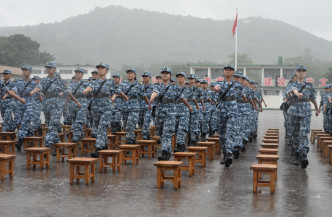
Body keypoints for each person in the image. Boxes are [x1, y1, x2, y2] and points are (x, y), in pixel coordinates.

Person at [30, 62, 80, 150]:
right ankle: (57, 144)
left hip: (57, 105)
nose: (48, 69)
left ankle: (48, 143)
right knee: (49, 123)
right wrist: (33, 92)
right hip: (47, 104)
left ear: (54, 69)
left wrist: (63, 93)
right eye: (47, 68)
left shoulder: (59, 80)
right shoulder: (44, 80)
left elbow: (68, 89)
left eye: (50, 68)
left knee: (53, 123)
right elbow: (39, 87)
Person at [83, 63, 128, 157]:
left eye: (102, 68)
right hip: (96, 107)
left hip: (107, 107)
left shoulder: (110, 82)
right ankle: (104, 145)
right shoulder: (94, 82)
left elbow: (117, 90)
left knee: (102, 126)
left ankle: (98, 147)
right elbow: (90, 87)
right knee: (96, 127)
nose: (100, 70)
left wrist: (125, 97)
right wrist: (86, 90)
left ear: (106, 71)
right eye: (99, 68)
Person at [150, 67, 192, 160]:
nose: (165, 75)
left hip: (171, 113)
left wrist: (189, 106)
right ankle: (166, 149)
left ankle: (166, 152)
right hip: (160, 113)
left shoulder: (175, 87)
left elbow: (182, 98)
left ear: (170, 76)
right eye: (163, 73)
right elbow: (155, 92)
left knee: (167, 133)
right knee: (161, 132)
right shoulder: (157, 86)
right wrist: (152, 97)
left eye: (167, 73)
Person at [286, 64, 319, 169]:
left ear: (305, 73)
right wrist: (297, 94)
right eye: (299, 71)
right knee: (295, 133)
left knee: (304, 133)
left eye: (303, 71)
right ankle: (297, 154)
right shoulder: (291, 84)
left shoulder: (309, 86)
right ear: (296, 73)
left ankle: (304, 155)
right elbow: (294, 90)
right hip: (294, 111)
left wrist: (317, 108)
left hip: (305, 112)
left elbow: (313, 98)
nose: (301, 72)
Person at [214, 65, 243, 167]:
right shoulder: (219, 83)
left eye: (230, 70)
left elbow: (239, 95)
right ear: (223, 72)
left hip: (232, 111)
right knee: (221, 134)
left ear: (233, 72)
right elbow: (216, 88)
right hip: (221, 111)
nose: (228, 72)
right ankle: (225, 153)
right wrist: (217, 88)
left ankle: (229, 153)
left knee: (230, 132)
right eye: (226, 70)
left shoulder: (237, 85)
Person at [120, 68, 151, 144]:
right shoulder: (123, 84)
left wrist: (149, 104)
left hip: (134, 108)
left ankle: (129, 141)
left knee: (130, 124)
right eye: (128, 73)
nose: (129, 74)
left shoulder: (138, 85)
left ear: (135, 75)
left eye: (131, 73)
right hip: (125, 107)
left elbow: (143, 96)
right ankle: (132, 139)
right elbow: (118, 91)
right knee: (125, 125)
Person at [15, 66, 40, 151]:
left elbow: (38, 93)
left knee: (25, 121)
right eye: (23, 70)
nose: (24, 72)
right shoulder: (19, 83)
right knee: (21, 122)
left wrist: (35, 93)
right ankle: (31, 137)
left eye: (26, 70)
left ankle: (20, 140)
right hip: (20, 102)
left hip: (29, 103)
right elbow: (14, 91)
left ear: (30, 72)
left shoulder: (34, 84)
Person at [69, 68, 89, 143]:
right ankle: (80, 134)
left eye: (79, 73)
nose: (77, 74)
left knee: (79, 120)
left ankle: (76, 136)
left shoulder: (86, 84)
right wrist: (76, 101)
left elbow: (90, 93)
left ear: (82, 74)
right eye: (76, 72)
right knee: (74, 121)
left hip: (82, 103)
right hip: (74, 103)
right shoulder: (71, 84)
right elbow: (69, 93)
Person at [174, 72, 193, 152]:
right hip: (175, 110)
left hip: (184, 110)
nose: (179, 78)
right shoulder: (174, 88)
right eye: (178, 77)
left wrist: (189, 107)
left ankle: (180, 145)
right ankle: (180, 144)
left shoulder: (188, 89)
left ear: (184, 79)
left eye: (181, 77)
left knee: (182, 129)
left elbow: (186, 98)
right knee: (175, 129)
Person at [140, 72, 154, 140]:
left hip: (148, 107)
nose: (145, 78)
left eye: (146, 77)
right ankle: (146, 136)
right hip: (140, 107)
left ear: (149, 78)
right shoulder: (139, 87)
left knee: (146, 122)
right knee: (140, 123)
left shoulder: (152, 87)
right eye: (143, 77)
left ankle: (145, 137)